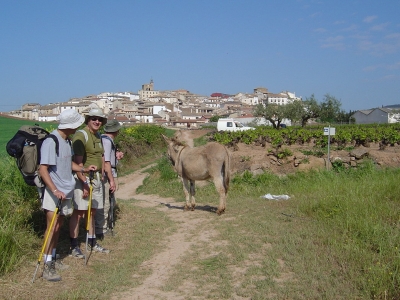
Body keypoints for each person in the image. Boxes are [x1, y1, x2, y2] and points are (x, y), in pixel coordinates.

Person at [39, 109, 97, 281]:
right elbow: (43, 169)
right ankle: (46, 264)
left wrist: (83, 169)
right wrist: (54, 190)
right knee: (51, 227)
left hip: (65, 192)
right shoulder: (51, 141)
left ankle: (53, 258)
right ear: (70, 125)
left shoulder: (66, 141)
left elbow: (68, 162)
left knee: (58, 227)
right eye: (76, 125)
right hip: (54, 192)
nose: (77, 128)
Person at [69, 107, 115, 258]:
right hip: (84, 178)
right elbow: (77, 163)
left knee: (92, 211)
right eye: (94, 119)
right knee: (79, 212)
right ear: (88, 120)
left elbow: (101, 157)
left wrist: (103, 176)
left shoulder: (98, 136)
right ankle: (74, 245)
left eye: (99, 119)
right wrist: (84, 183)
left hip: (96, 179)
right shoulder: (81, 136)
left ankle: (92, 241)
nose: (97, 121)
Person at [95, 119, 124, 239]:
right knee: (106, 201)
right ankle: (102, 229)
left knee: (107, 200)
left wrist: (116, 154)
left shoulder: (104, 139)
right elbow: (106, 162)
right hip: (108, 173)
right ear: (116, 131)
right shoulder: (107, 142)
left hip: (108, 172)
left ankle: (103, 226)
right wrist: (111, 179)